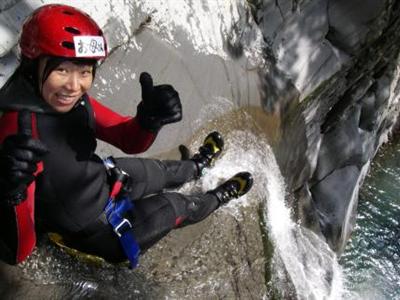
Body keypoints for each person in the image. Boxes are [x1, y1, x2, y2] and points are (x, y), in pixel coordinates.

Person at [0, 4, 253, 268]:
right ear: (33, 65)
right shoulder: (19, 135)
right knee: (178, 206)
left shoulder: (71, 101)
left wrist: (148, 121)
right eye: (62, 70)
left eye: (84, 71)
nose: (75, 86)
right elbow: (20, 251)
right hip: (98, 231)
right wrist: (12, 192)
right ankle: (219, 196)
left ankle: (198, 166)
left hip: (105, 182)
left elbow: (127, 139)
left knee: (163, 171)